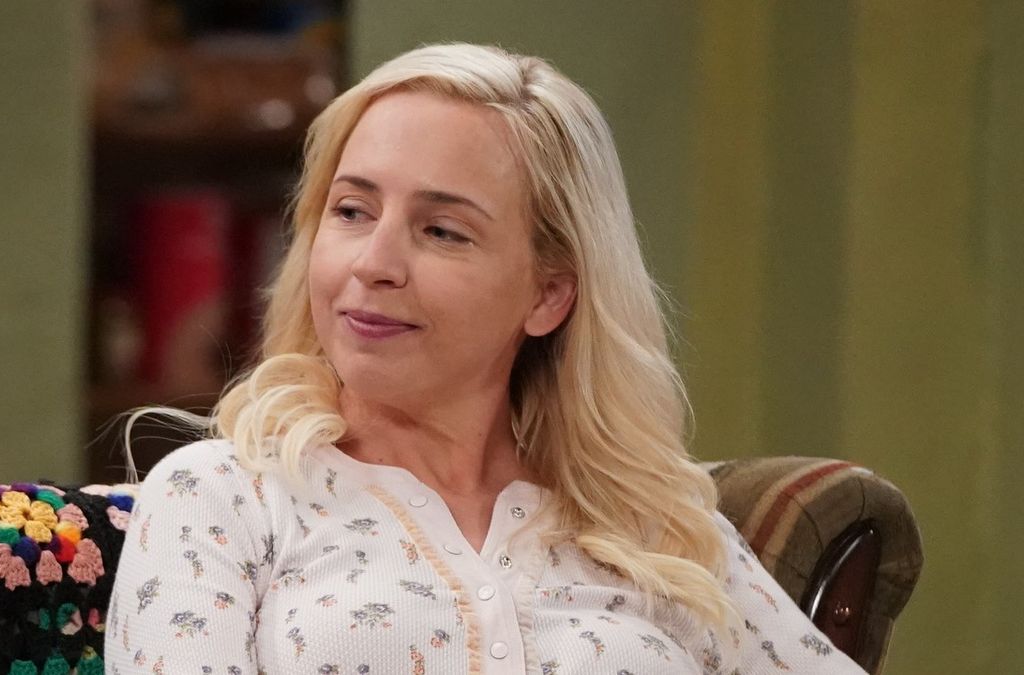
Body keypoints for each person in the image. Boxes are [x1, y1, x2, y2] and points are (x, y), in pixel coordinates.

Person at [105, 43, 863, 674]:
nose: (374, 263)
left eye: (442, 231)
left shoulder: (659, 528)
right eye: (352, 211)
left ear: (549, 295)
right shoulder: (224, 498)